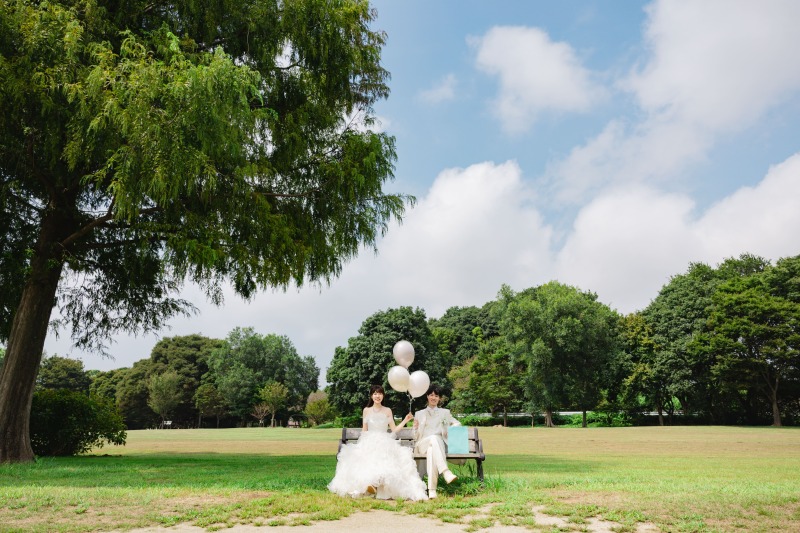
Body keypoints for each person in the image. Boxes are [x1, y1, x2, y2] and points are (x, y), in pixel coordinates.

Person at [328, 385, 428, 501]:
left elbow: (394, 429)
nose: (377, 396)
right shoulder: (366, 410)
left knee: (383, 456)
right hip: (369, 439)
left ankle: (375, 484)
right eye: (375, 393)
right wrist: (362, 444)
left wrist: (406, 420)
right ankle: (369, 484)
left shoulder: (387, 410)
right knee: (365, 457)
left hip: (384, 440)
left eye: (380, 393)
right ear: (371, 396)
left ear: (383, 396)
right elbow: (364, 429)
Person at [413, 384, 460, 498]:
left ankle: (432, 490)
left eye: (436, 396)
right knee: (434, 438)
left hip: (437, 445)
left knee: (432, 450)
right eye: (431, 395)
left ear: (439, 398)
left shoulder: (445, 413)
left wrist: (450, 429)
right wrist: (415, 428)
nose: (433, 398)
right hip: (422, 444)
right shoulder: (419, 414)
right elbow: (415, 436)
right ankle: (445, 471)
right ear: (427, 396)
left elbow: (457, 423)